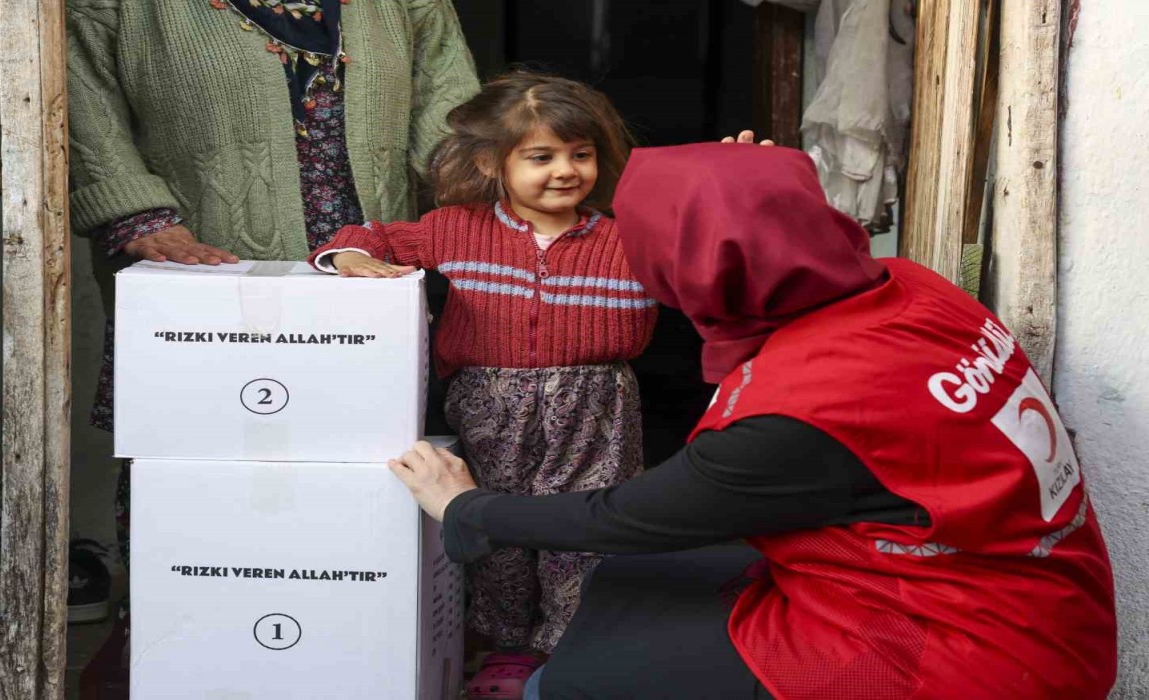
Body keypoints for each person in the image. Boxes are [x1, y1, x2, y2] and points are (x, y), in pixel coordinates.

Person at [386, 143, 1118, 699]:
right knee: (624, 586)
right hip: (1027, 594)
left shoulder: (801, 414)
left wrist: (468, 507)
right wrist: (748, 187)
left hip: (963, 653)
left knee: (569, 681)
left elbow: (628, 515)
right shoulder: (913, 289)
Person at [65, 0, 478, 693]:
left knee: (373, 463)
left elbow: (455, 116)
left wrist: (478, 220)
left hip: (372, 284)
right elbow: (80, 97)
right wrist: (132, 210)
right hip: (206, 276)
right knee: (194, 463)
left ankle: (361, 648)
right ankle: (183, 646)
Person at [308, 72, 657, 698]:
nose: (565, 171)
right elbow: (373, 236)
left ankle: (569, 646)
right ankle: (504, 648)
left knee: (584, 526)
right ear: (493, 163)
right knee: (492, 524)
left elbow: (721, 254)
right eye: (541, 156)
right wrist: (352, 257)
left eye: (581, 154)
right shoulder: (456, 229)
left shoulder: (631, 237)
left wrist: (736, 181)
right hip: (488, 404)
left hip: (597, 405)